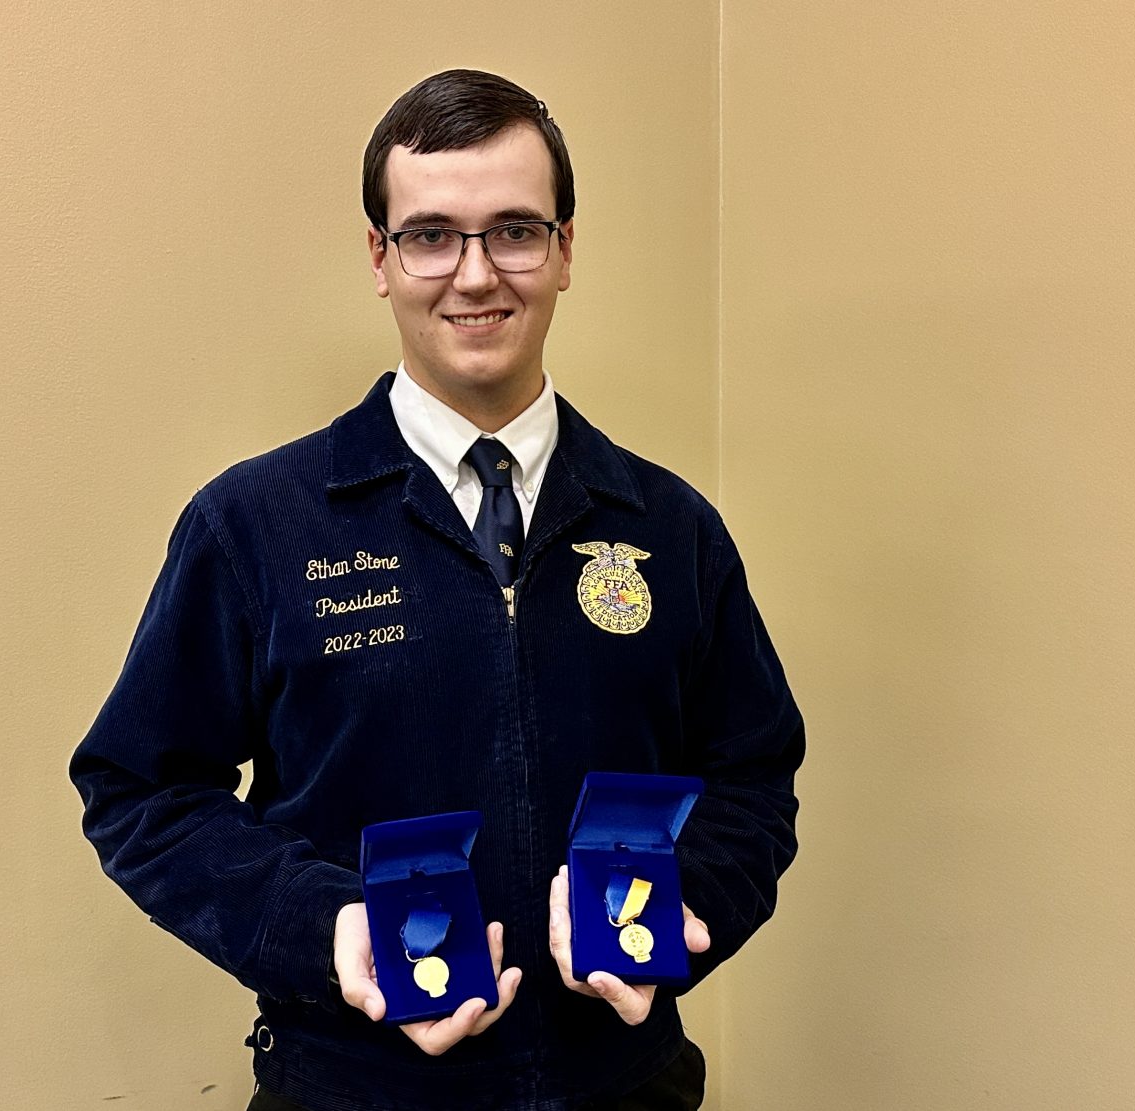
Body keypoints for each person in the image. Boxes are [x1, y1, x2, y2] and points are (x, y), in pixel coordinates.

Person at [70, 68, 804, 1111]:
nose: (473, 275)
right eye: (430, 234)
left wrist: (692, 901)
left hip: (627, 1084)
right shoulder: (255, 525)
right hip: (352, 1089)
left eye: (514, 229)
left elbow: (752, 773)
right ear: (380, 257)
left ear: (562, 251)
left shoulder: (669, 528)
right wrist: (324, 927)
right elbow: (140, 790)